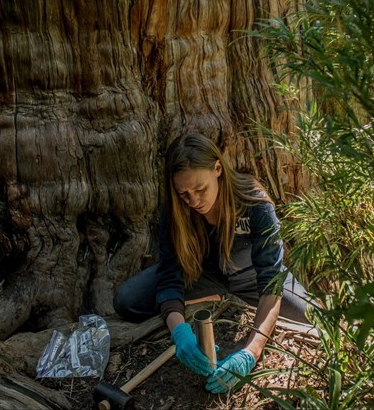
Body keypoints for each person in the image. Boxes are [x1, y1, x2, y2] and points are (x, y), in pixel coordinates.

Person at [113, 133, 311, 393]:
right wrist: (179, 332)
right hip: (201, 276)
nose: (193, 201)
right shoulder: (175, 211)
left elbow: (270, 284)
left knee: (310, 317)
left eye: (200, 189)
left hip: (252, 278)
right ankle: (215, 297)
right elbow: (170, 276)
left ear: (218, 169)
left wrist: (250, 352)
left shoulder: (255, 203)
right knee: (127, 300)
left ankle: (230, 301)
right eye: (184, 193)